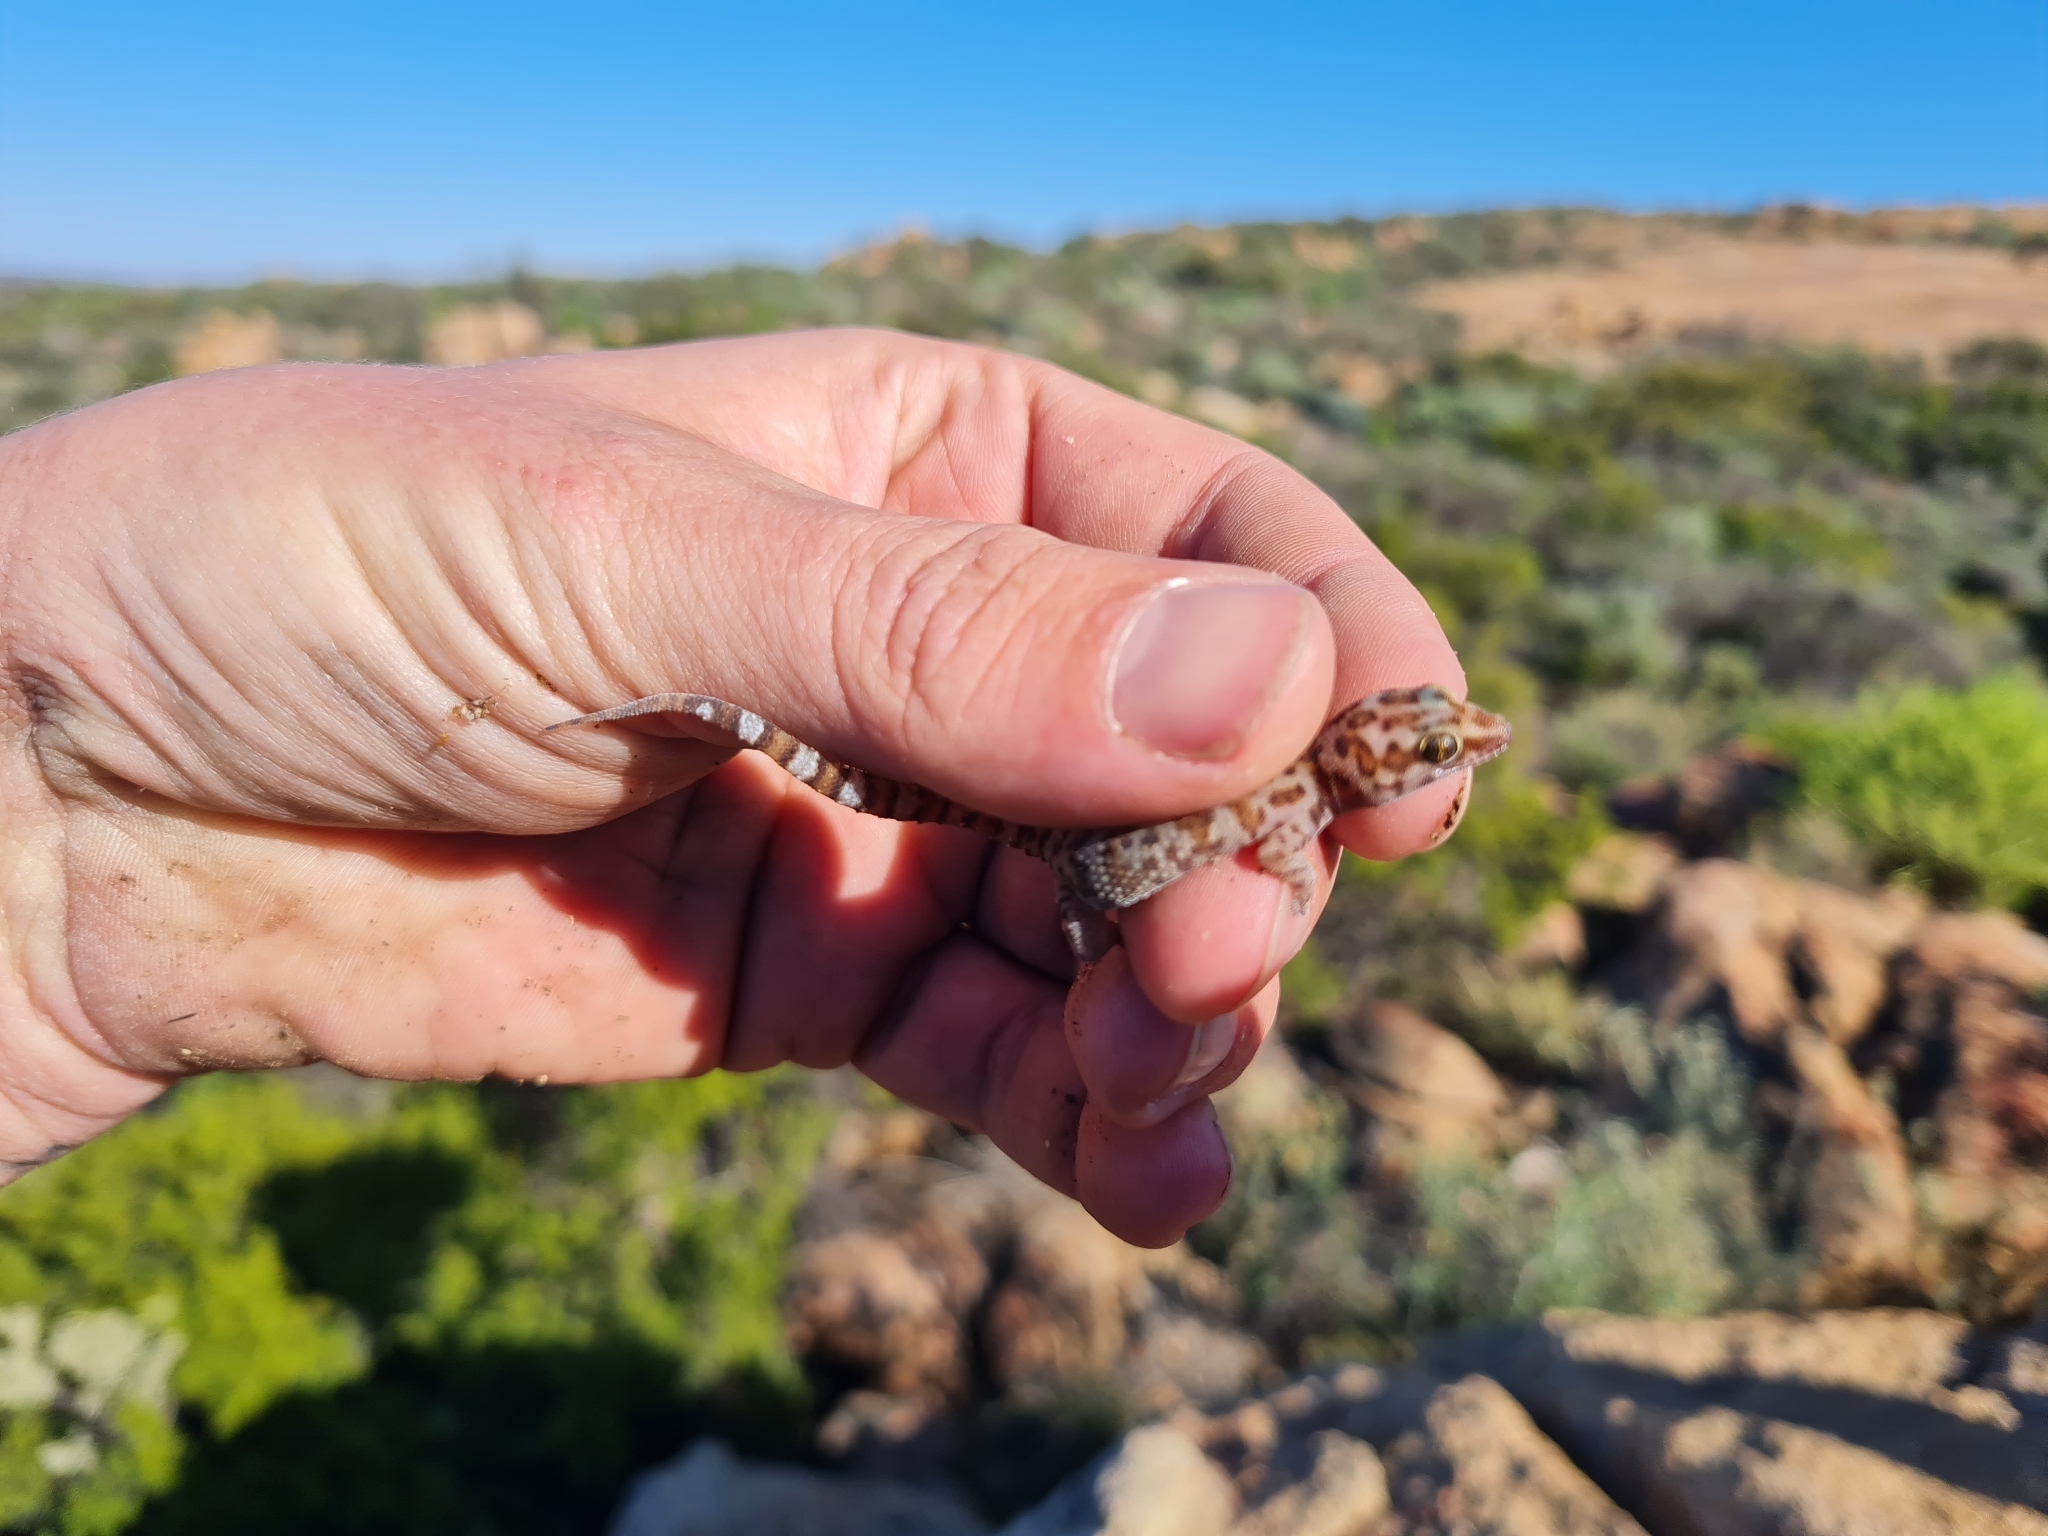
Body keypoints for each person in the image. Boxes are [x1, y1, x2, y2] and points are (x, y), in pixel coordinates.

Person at [0, 329, 1466, 1247]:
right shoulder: (1283, 792)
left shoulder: (1284, 802)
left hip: (1082, 856)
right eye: (1427, 736)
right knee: (1151, 970)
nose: (1430, 741)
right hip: (1073, 840)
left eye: (1421, 739)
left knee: (1137, 960)